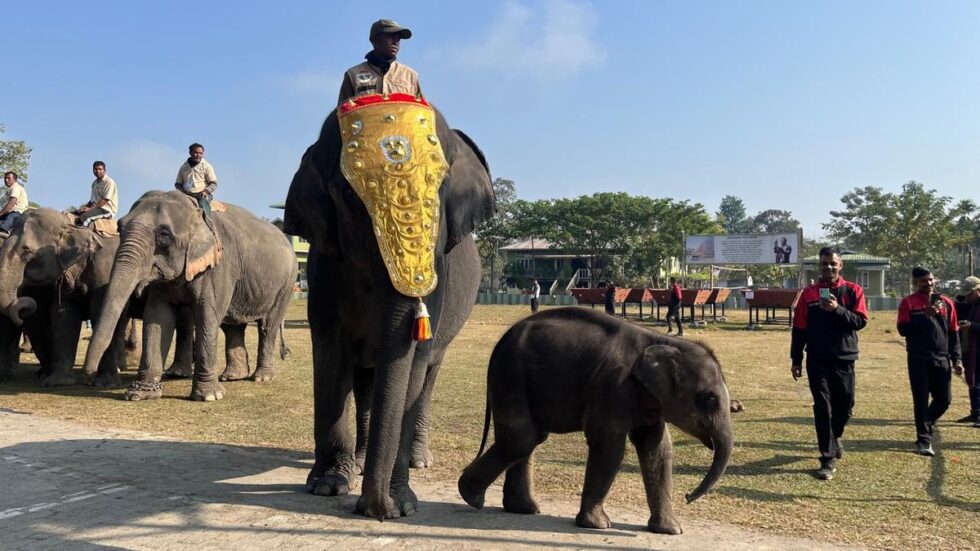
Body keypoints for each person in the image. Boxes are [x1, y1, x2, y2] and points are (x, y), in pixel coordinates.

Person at [791, 246, 868, 480]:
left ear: (840, 265)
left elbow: (859, 321)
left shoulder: (853, 291)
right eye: (824, 264)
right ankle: (827, 458)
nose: (828, 267)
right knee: (822, 406)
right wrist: (796, 359)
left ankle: (836, 437)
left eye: (832, 263)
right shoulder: (809, 294)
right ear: (819, 266)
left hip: (844, 357)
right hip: (817, 358)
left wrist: (837, 310)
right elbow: (800, 328)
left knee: (845, 406)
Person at [897, 267, 963, 456]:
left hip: (941, 358)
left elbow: (953, 332)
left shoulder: (947, 302)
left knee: (944, 400)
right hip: (918, 358)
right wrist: (925, 316)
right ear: (916, 282)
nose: (929, 283)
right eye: (924, 281)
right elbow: (903, 330)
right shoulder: (908, 303)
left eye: (931, 279)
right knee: (921, 399)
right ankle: (924, 440)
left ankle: (926, 423)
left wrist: (957, 358)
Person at [338, 19, 421, 107]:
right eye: (390, 37)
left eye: (398, 39)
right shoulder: (353, 75)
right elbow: (341, 114)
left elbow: (422, 112)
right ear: (375, 40)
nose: (395, 42)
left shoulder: (410, 75)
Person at [954, 276, 980, 427]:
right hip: (972, 349)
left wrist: (972, 326)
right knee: (973, 381)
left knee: (977, 383)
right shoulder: (972, 304)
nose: (966, 297)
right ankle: (975, 413)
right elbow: (958, 307)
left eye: (968, 293)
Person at [174, 143, 217, 223]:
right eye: (196, 152)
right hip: (187, 194)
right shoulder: (184, 167)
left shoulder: (206, 166)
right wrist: (182, 193)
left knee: (202, 202)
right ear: (190, 153)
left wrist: (205, 191)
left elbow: (213, 183)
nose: (198, 155)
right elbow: (178, 184)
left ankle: (208, 223)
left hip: (202, 194)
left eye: (201, 153)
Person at [75, 161, 118, 226]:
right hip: (95, 209)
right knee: (75, 213)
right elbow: (92, 200)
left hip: (106, 210)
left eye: (100, 169)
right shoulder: (94, 183)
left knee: (84, 217)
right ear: (93, 170)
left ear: (105, 170)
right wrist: (84, 208)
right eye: (95, 169)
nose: (98, 171)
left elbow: (105, 200)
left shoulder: (109, 182)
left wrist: (89, 209)